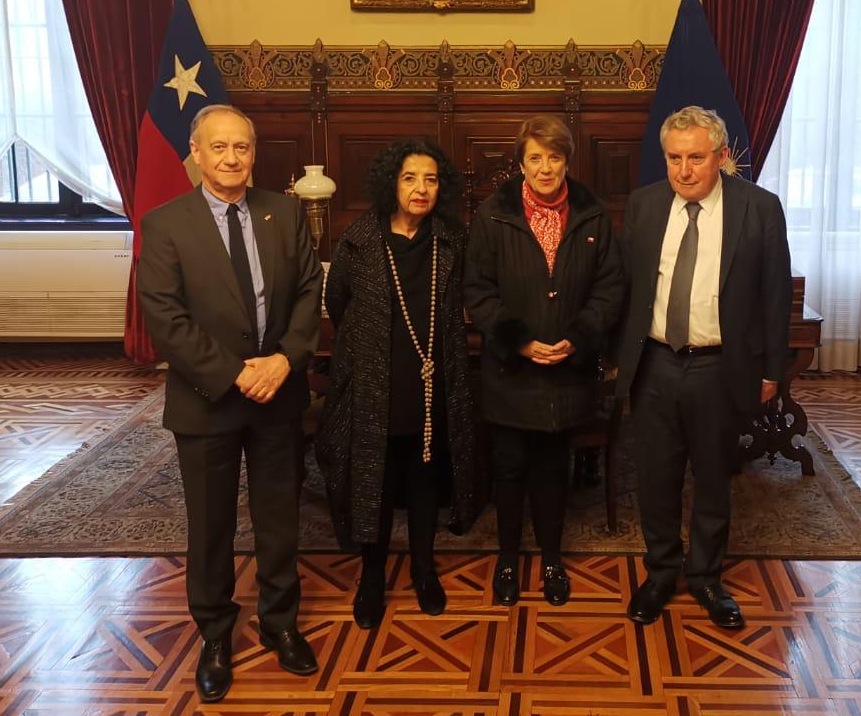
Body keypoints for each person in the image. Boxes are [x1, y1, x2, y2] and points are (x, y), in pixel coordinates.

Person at [137, 104, 323, 703]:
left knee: (278, 519)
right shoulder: (165, 223)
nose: (231, 158)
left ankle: (280, 622)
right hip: (207, 399)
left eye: (241, 147)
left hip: (279, 392)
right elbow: (166, 319)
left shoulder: (286, 211)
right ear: (196, 154)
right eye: (218, 147)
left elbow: (305, 294)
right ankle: (216, 636)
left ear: (253, 152)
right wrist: (236, 374)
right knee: (211, 526)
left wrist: (284, 361)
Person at [614, 106, 792, 630]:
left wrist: (772, 372)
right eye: (674, 158)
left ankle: (707, 578)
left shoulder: (758, 208)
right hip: (654, 363)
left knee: (713, 477)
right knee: (655, 477)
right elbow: (628, 290)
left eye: (696, 158)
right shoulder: (645, 205)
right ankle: (661, 573)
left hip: (719, 366)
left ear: (720, 156)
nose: (684, 170)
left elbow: (775, 296)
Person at [317, 138, 482, 630]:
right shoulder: (360, 238)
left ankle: (424, 569)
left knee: (426, 478)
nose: (420, 188)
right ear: (392, 182)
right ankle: (371, 577)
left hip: (433, 382)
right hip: (371, 384)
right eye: (410, 178)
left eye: (430, 179)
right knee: (376, 480)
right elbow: (338, 301)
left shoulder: (452, 239)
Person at [464, 115, 625, 607]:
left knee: (554, 469)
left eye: (554, 157)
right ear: (521, 163)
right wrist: (520, 342)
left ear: (567, 160)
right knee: (509, 469)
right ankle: (508, 560)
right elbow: (477, 289)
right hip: (512, 369)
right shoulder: (492, 215)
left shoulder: (593, 216)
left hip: (567, 371)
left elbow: (610, 288)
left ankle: (552, 559)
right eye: (535, 157)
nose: (545, 167)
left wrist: (577, 339)